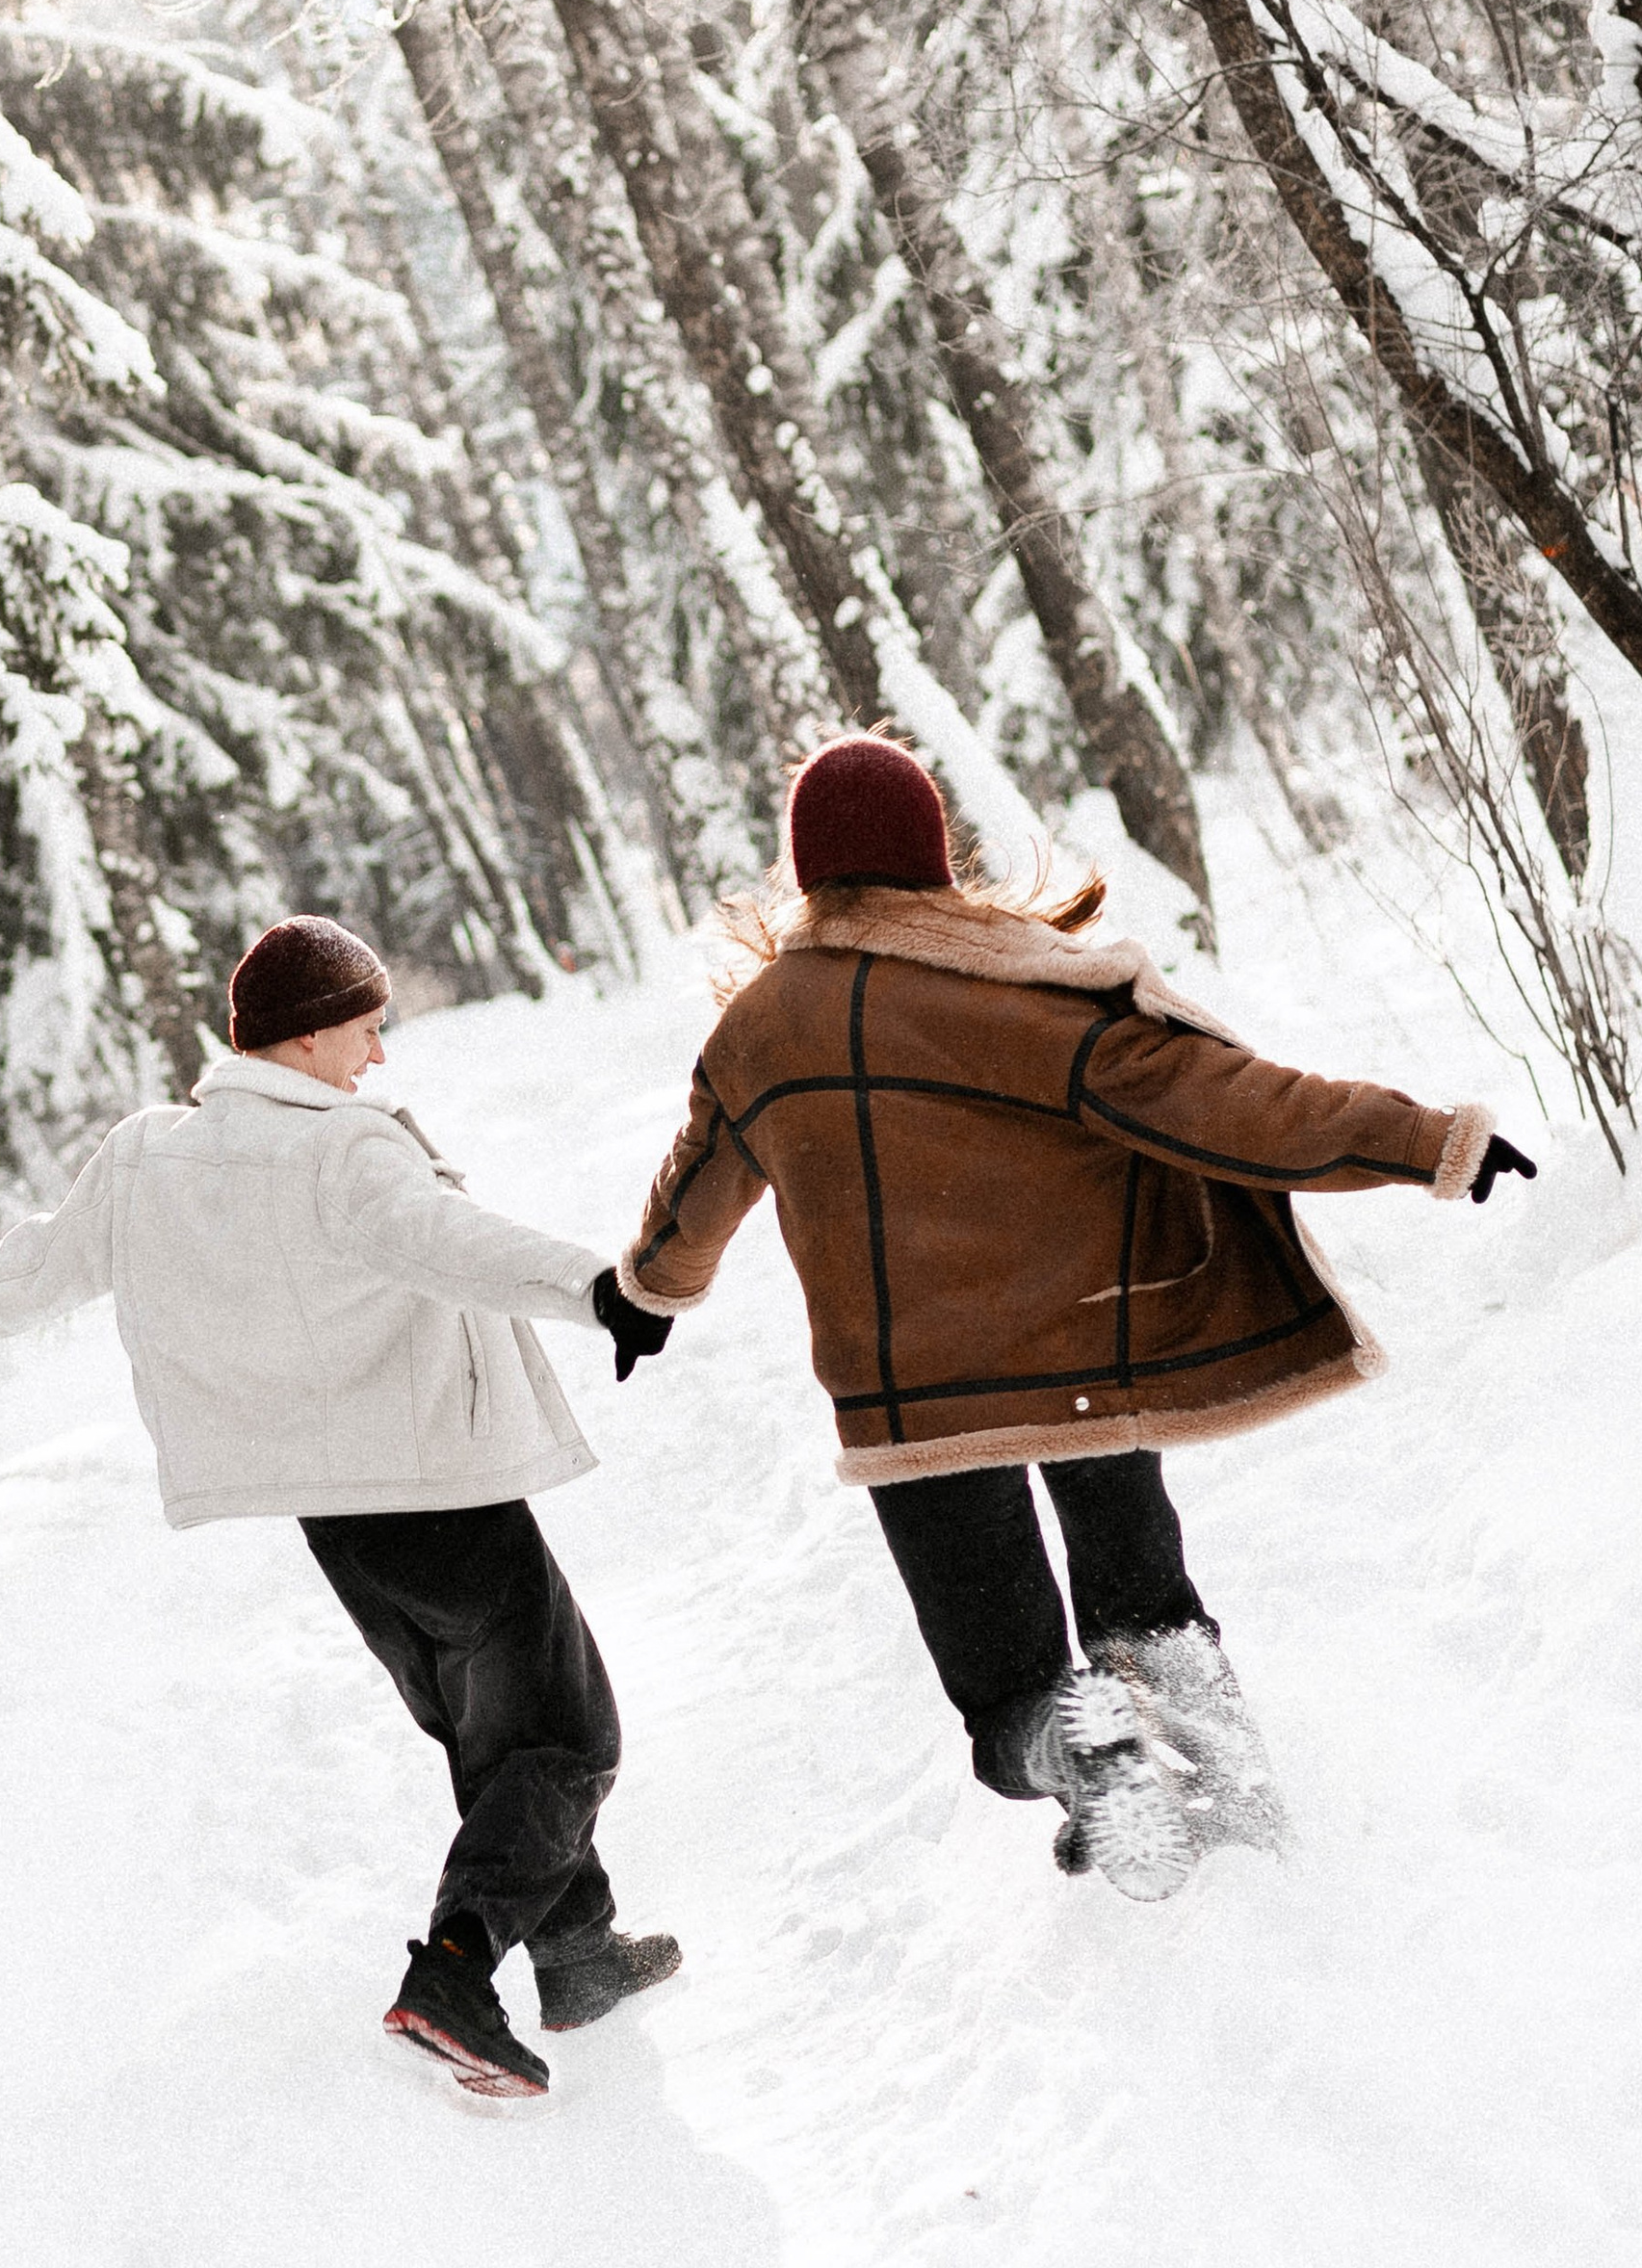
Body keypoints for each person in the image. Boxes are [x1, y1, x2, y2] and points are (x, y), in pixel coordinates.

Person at [0, 914, 679, 2099]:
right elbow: (447, 1242)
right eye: (364, 1029)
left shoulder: (149, 1155)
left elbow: (24, 1270)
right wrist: (605, 1290)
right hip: (436, 1492)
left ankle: (580, 1952)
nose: (377, 1058)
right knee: (565, 1737)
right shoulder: (344, 1151)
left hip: (337, 1517)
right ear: (301, 1040)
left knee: (489, 1734)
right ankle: (456, 1972)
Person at [614, 740, 1535, 1900]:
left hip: (913, 1411)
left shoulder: (757, 1029)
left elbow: (696, 1187)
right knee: (1148, 1610)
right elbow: (1226, 1103)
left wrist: (649, 1294)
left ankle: (1081, 1754)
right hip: (1082, 1363)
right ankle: (1234, 1805)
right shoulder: (1016, 992)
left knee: (1004, 1689)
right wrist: (1425, 1140)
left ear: (806, 870)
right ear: (932, 853)